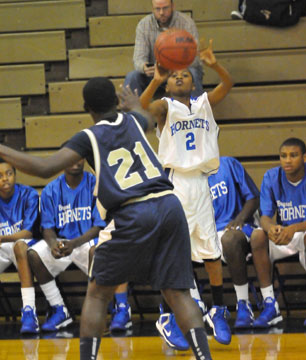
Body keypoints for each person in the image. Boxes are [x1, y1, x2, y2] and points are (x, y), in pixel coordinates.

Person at [0, 77, 213, 360]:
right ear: (116, 101)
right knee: (178, 293)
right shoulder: (135, 120)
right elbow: (148, 119)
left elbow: (43, 168)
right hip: (169, 206)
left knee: (98, 294)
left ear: (86, 107)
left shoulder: (88, 136)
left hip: (133, 211)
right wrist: (136, 104)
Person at [140, 39, 234, 347]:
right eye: (173, 75)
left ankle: (217, 308)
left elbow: (228, 83)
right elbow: (144, 106)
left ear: (194, 83)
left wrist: (213, 63)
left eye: (185, 74)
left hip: (201, 184)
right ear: (167, 86)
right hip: (176, 183)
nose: (179, 77)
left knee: (211, 251)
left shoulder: (205, 103)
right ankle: (167, 315)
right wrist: (155, 78)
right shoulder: (166, 107)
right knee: (174, 252)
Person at [27, 159, 106, 332]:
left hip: (87, 241)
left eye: (79, 157)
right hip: (63, 242)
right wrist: (53, 243)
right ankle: (59, 309)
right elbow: (47, 227)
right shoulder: (50, 190)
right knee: (34, 254)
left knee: (98, 251)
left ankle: (98, 314)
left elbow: (99, 226)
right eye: (70, 158)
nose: (75, 162)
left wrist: (75, 243)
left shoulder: (95, 184)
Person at [250, 138, 306, 328]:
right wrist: (270, 228)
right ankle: (270, 305)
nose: (287, 160)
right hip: (286, 235)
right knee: (257, 236)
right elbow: (265, 216)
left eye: (293, 155)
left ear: (305, 157)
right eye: (283, 156)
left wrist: (293, 228)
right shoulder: (271, 177)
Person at [208, 156, 260, 329]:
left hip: (237, 226)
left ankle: (243, 304)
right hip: (208, 232)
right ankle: (193, 309)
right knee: (176, 245)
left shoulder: (228, 164)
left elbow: (253, 198)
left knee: (229, 239)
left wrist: (239, 219)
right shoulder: (188, 177)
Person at [124, 0, 204, 97]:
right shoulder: (143, 25)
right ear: (152, 9)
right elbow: (138, 59)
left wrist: (173, 67)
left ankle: (197, 109)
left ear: (172, 6)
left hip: (181, 71)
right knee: (132, 77)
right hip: (156, 74)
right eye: (157, 9)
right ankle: (133, 112)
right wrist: (145, 68)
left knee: (193, 73)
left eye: (165, 8)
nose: (161, 12)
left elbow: (195, 58)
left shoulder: (186, 23)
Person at [0, 158, 40, 334]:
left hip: (24, 244)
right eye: (0, 175)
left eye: (9, 174)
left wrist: (2, 238)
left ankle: (30, 312)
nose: (5, 179)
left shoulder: (29, 194)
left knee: (20, 246)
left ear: (15, 175)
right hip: (2, 246)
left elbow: (28, 232)